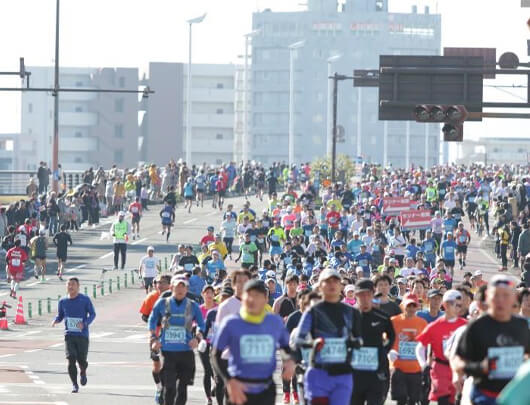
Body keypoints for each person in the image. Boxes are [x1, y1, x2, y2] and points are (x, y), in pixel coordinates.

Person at [211, 279, 295, 405]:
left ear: (266, 299)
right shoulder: (231, 323)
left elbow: (286, 347)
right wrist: (229, 380)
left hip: (265, 388)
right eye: (249, 295)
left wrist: (289, 362)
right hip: (239, 386)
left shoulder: (274, 322)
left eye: (257, 296)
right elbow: (215, 354)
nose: (252, 300)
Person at [453, 275, 530, 405]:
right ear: (488, 298)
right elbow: (457, 360)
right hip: (484, 396)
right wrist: (480, 367)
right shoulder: (477, 326)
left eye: (505, 296)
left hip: (515, 398)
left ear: (514, 299)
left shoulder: (522, 326)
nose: (500, 300)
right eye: (495, 295)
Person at [293, 268, 362, 405]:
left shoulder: (351, 312)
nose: (332, 285)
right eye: (327, 281)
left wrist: (354, 343)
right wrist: (313, 344)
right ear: (319, 286)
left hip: (343, 373)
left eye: (335, 281)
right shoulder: (312, 311)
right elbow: (297, 340)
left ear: (341, 286)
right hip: (318, 372)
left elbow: (359, 339)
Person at [148, 275, 205, 405]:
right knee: (169, 387)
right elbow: (152, 321)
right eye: (177, 286)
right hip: (167, 351)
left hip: (185, 350)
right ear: (171, 287)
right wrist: (153, 338)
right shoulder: (162, 303)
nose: (180, 289)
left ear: (187, 289)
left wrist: (197, 338)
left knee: (182, 388)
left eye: (183, 286)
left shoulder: (193, 305)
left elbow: (202, 325)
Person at [415, 290, 467, 405]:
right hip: (440, 368)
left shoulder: (465, 325)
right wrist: (423, 365)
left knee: (456, 401)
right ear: (446, 305)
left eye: (460, 305)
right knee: (443, 400)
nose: (458, 308)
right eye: (455, 305)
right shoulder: (434, 326)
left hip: (458, 369)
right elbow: (420, 347)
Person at [351, 278, 396, 405]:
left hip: (376, 372)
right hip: (354, 372)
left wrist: (383, 351)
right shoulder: (349, 316)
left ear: (373, 294)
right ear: (355, 295)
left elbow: (392, 335)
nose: (364, 298)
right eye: (361, 295)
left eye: (367, 294)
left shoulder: (382, 317)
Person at [52, 277, 96, 393]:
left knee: (82, 360)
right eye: (68, 285)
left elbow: (92, 314)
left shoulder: (85, 299)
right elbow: (60, 315)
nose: (70, 287)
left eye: (73, 284)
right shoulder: (62, 301)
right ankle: (74, 384)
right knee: (71, 358)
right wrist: (56, 320)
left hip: (82, 335)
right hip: (69, 334)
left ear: (78, 286)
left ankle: (83, 371)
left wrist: (85, 323)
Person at [389, 293, 428, 405]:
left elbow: (426, 344)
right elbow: (386, 340)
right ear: (402, 306)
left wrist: (425, 362)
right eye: (408, 306)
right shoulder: (393, 321)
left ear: (417, 307)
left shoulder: (422, 323)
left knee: (413, 400)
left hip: (416, 368)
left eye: (413, 306)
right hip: (398, 367)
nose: (411, 309)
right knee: (401, 400)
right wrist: (390, 352)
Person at [139, 274, 172, 404]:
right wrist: (157, 322)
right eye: (158, 282)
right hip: (156, 335)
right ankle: (159, 388)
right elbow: (144, 316)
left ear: (170, 284)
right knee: (156, 365)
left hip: (171, 336)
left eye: (163, 282)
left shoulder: (175, 297)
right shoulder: (151, 297)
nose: (159, 285)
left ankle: (169, 390)